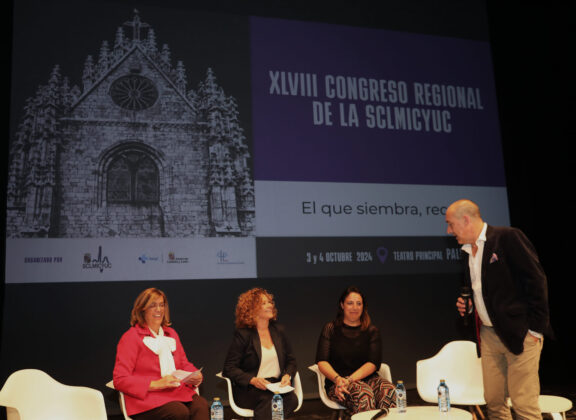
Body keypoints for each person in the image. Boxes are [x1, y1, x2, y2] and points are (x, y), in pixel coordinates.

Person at [446, 199, 551, 420]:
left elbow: (536, 280)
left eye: (450, 224)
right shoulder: (466, 252)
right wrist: (470, 305)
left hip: (521, 333)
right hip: (489, 336)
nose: (449, 230)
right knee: (493, 402)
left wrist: (535, 330)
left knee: (523, 404)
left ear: (465, 220)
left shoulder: (507, 238)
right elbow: (486, 292)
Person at [113, 288, 209, 420]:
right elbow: (120, 379)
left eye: (161, 305)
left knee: (201, 405)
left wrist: (195, 375)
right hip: (146, 400)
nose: (158, 309)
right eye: (153, 305)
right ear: (142, 310)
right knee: (179, 412)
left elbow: (184, 364)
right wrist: (157, 384)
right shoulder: (131, 337)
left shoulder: (171, 334)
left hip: (175, 393)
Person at [315, 286, 396, 416]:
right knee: (363, 393)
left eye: (359, 303)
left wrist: (350, 380)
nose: (355, 307)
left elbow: (373, 363)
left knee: (389, 390)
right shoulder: (330, 329)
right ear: (342, 305)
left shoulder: (372, 331)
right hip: (338, 383)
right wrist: (338, 380)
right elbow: (322, 361)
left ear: (363, 307)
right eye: (350, 303)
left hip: (367, 380)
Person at [223, 288, 298, 420]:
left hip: (275, 385)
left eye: (269, 302)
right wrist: (252, 380)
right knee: (270, 401)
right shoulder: (243, 335)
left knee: (291, 399)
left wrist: (288, 375)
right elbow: (229, 368)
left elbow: (291, 361)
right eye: (264, 303)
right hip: (250, 389)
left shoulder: (278, 331)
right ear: (252, 309)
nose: (270, 305)